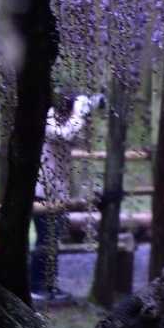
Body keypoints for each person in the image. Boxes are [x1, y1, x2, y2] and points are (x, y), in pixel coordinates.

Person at [30, 90, 105, 301]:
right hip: (42, 192)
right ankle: (37, 287)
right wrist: (80, 112)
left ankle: (50, 286)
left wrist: (86, 112)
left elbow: (81, 140)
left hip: (58, 192)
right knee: (45, 240)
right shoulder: (49, 118)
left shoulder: (67, 121)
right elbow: (65, 134)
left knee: (54, 240)